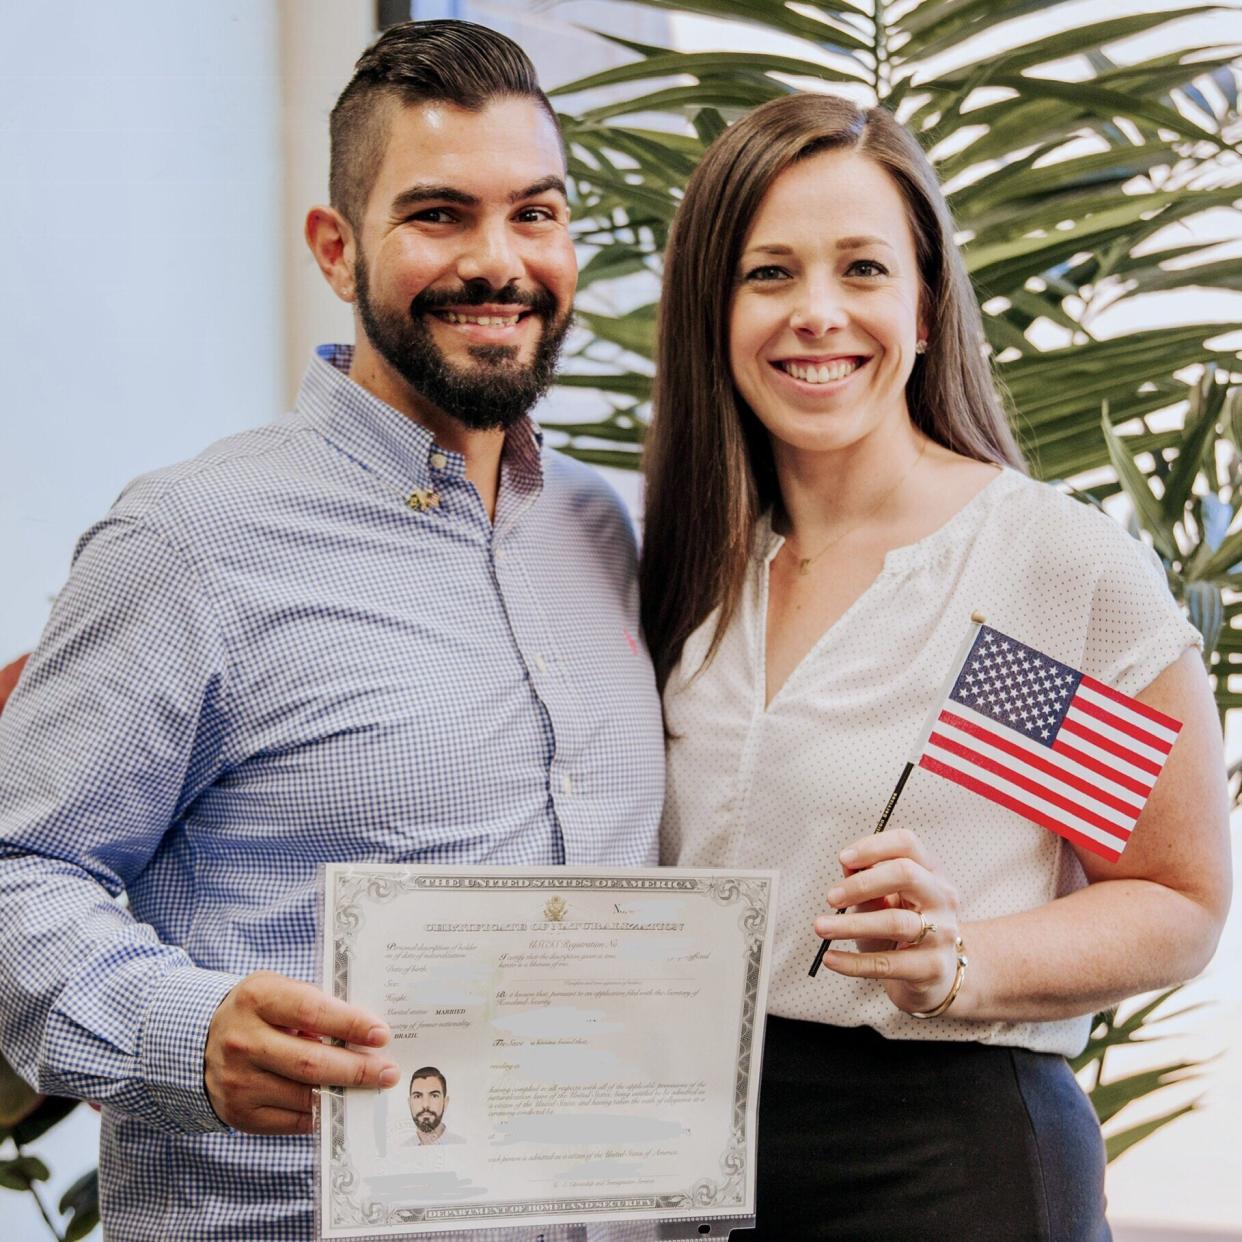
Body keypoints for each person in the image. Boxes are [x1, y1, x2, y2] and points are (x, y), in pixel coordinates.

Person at [0, 20, 663, 1242]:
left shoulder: (600, 532)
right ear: (335, 245)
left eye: (535, 212)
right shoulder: (190, 541)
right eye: (439, 214)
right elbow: (19, 870)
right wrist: (184, 1037)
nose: (498, 259)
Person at [643, 92, 1231, 1240]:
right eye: (769, 274)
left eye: (862, 269)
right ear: (712, 311)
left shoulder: (1025, 575)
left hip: (943, 1164)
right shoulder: (686, 567)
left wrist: (959, 958)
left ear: (924, 307)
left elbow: (1171, 895)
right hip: (691, 1164)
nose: (818, 314)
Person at [404, 1066, 464, 1145]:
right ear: (409, 1103)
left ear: (445, 1103)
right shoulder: (402, 1150)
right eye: (418, 1096)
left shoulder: (462, 1146)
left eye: (434, 1096)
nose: (425, 1105)